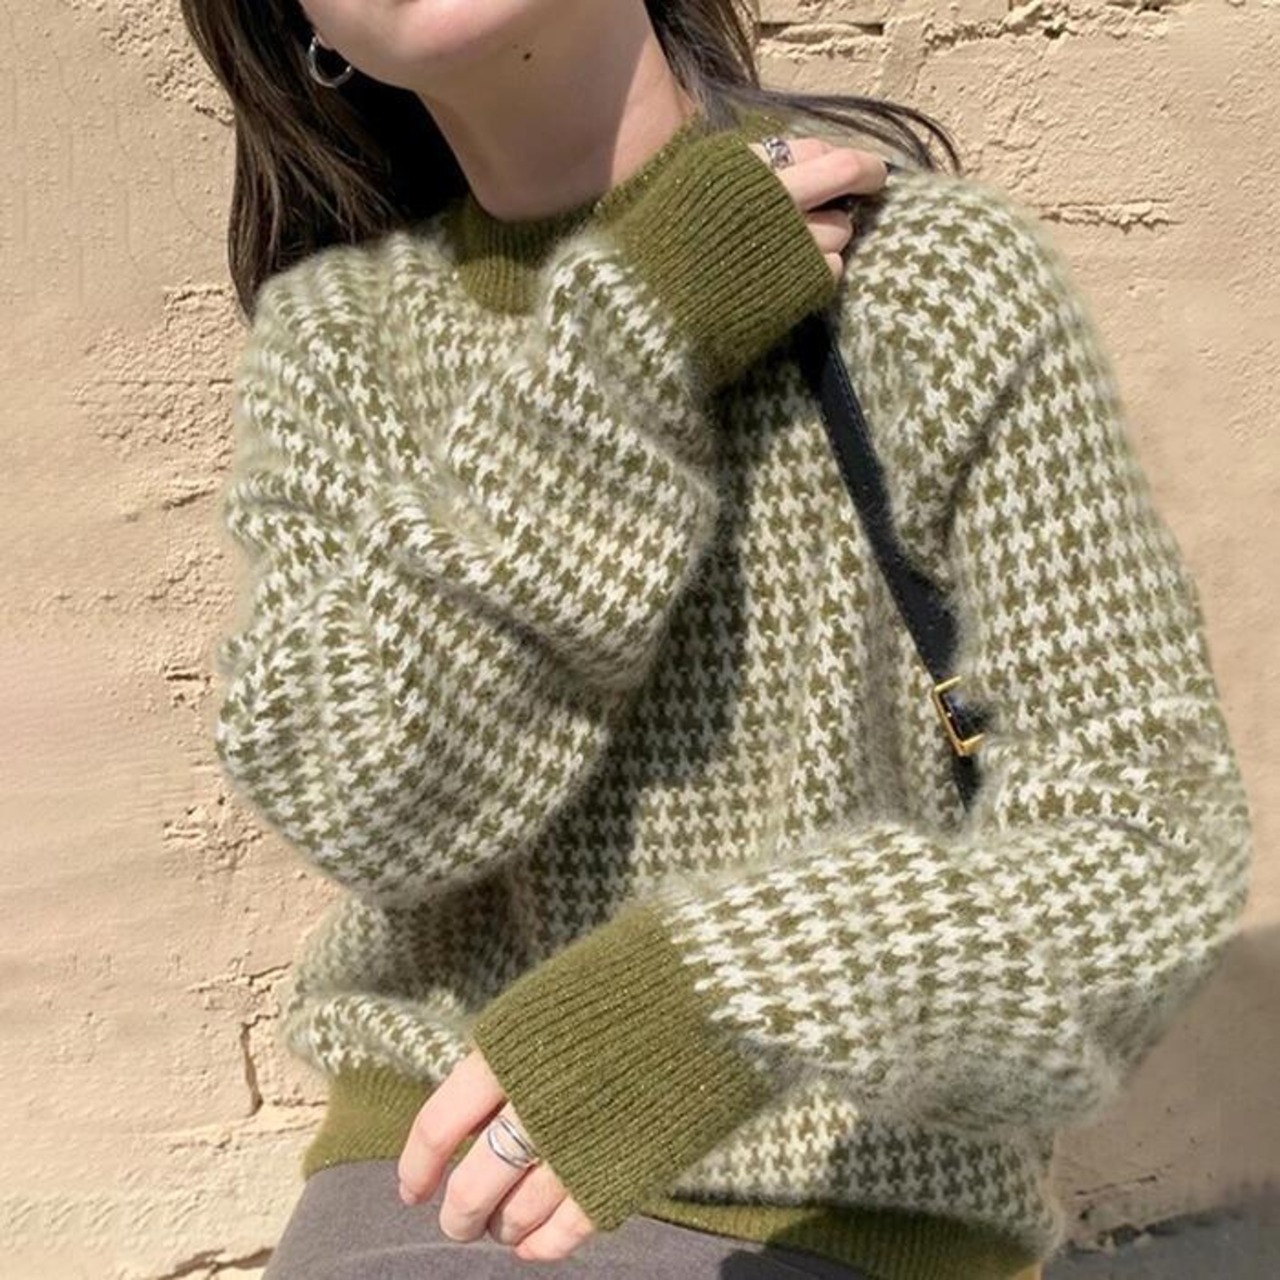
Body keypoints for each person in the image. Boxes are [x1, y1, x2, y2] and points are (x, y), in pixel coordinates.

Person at [183, 1, 1254, 1277]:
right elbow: (367, 797)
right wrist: (633, 338)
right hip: (437, 1173)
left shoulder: (931, 282)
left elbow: (1151, 839)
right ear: (303, 30)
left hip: (853, 1202)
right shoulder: (343, 339)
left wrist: (742, 980)